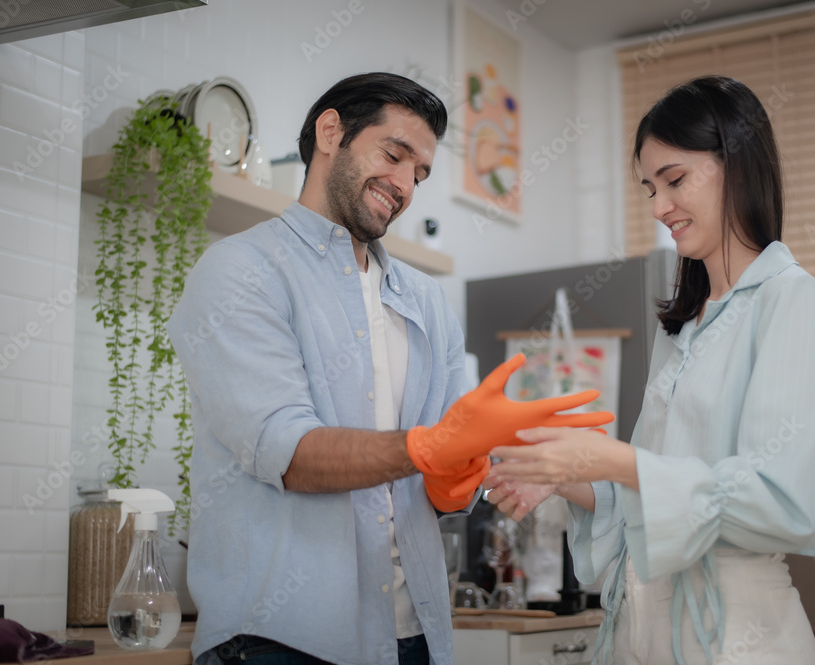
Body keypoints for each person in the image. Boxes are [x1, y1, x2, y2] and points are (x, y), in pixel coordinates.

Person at [166, 72, 612, 665]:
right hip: (277, 642)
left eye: (419, 174)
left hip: (415, 636)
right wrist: (429, 446)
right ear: (331, 132)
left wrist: (465, 471)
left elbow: (444, 486)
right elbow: (288, 451)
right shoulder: (240, 271)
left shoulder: (426, 303)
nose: (404, 185)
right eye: (394, 154)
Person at [485, 75, 815, 665]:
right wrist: (563, 478)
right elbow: (650, 497)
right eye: (648, 188)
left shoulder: (792, 302)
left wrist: (606, 457)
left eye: (675, 180)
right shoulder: (681, 330)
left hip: (739, 637)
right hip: (641, 625)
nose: (659, 207)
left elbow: (782, 500)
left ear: (736, 165)